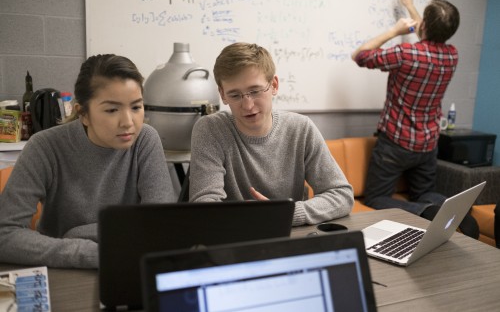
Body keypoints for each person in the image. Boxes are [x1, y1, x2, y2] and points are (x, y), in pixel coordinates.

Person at [0, 54, 175, 269]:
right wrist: (94, 253)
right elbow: (5, 235)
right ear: (83, 113)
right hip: (64, 270)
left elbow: (161, 226)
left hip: (127, 264)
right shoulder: (44, 147)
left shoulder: (146, 139)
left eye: (136, 107)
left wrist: (77, 234)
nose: (128, 122)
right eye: (112, 110)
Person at [351, 0, 478, 238]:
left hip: (395, 144)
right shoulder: (452, 55)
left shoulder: (406, 53)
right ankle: (449, 209)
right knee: (423, 192)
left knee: (376, 197)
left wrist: (395, 30)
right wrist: (410, 5)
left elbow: (361, 56)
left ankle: (423, 211)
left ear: (424, 27)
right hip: (428, 144)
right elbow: (430, 32)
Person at [189, 42, 354, 226]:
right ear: (222, 94)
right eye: (235, 95)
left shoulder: (301, 128)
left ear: (274, 85)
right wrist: (252, 217)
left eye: (255, 91)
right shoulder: (210, 129)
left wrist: (284, 214)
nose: (248, 105)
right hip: (233, 237)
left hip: (288, 235)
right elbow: (203, 208)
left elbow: (342, 195)